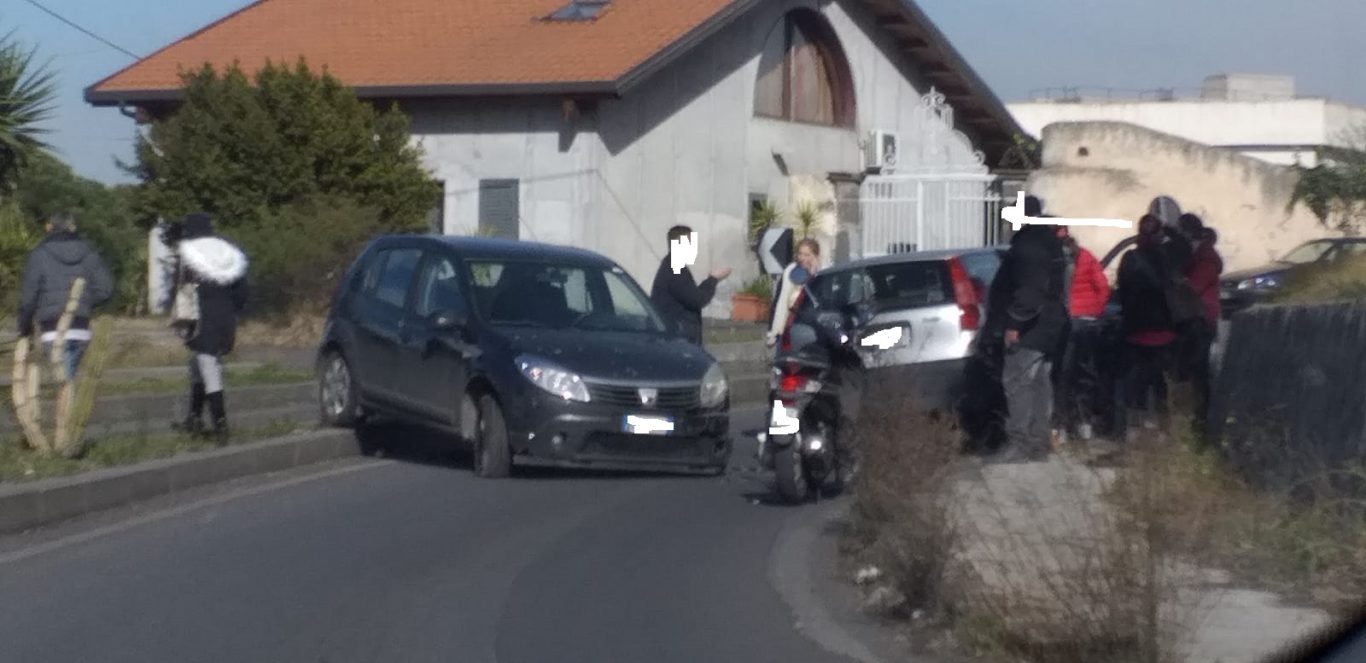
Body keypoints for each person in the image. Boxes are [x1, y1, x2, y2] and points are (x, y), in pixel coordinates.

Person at [987, 197, 1069, 463]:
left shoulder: (1029, 245)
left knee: (1018, 382)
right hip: (1051, 324)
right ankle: (1038, 442)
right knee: (1039, 383)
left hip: (1032, 327)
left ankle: (1020, 443)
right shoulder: (1048, 241)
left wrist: (1014, 324)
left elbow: (1030, 290)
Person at [170, 212, 249, 446]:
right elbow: (242, 289)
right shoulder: (228, 251)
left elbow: (179, 286)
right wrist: (234, 308)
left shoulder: (188, 254)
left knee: (208, 368)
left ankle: (220, 426)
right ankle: (193, 418)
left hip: (200, 316)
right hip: (225, 316)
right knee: (199, 364)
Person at [16, 212, 115, 381]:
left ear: (49, 227)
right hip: (80, 328)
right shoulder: (89, 252)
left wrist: (25, 329)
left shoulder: (39, 254)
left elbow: (28, 299)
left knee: (63, 385)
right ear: (72, 227)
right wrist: (83, 302)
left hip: (51, 329)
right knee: (69, 379)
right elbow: (106, 289)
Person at [1116, 215, 1179, 439]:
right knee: (1162, 383)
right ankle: (1164, 430)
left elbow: (1122, 292)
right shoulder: (1168, 258)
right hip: (1165, 330)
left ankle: (1136, 430)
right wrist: (1172, 232)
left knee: (1136, 384)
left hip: (1137, 331)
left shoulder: (1130, 259)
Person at [1054, 225, 1111, 441]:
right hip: (1087, 322)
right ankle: (1084, 422)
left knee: (1062, 374)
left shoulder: (1055, 261)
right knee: (1085, 374)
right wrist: (1095, 311)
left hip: (1066, 323)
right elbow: (1103, 287)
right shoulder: (1086, 256)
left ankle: (1061, 427)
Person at [1177, 213, 1223, 437]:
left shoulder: (1206, 257)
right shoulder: (1197, 255)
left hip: (1201, 320)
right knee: (1190, 370)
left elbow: (1194, 287)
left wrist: (1177, 283)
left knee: (1198, 371)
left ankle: (1201, 420)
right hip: (1193, 318)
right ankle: (1194, 418)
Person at [649, 225, 731, 345]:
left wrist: (710, 279)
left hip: (678, 335)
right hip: (677, 338)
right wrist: (713, 279)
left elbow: (690, 294)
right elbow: (697, 300)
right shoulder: (675, 269)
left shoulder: (674, 266)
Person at [766, 238, 822, 349]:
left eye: (807, 255)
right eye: (800, 254)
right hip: (791, 320)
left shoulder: (821, 272)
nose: (803, 258)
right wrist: (774, 329)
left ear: (815, 256)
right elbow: (780, 300)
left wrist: (813, 272)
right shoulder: (791, 271)